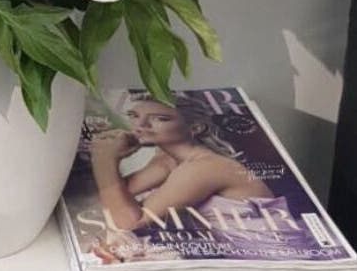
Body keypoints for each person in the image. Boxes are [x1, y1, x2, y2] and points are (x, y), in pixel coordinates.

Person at [90, 93, 273, 232]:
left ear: (196, 127)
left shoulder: (205, 167)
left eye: (159, 118)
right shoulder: (168, 160)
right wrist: (111, 156)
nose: (141, 125)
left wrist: (103, 160)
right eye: (134, 115)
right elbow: (109, 201)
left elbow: (126, 223)